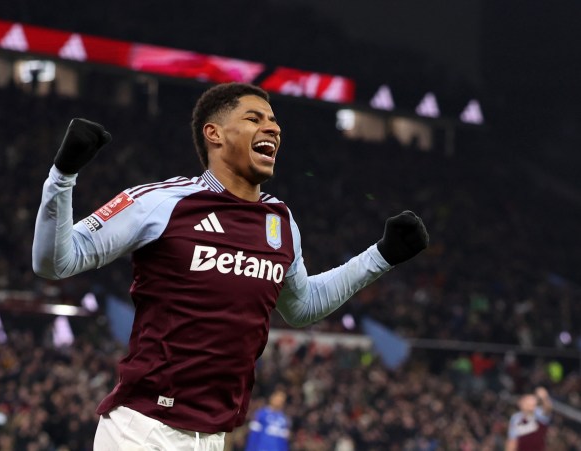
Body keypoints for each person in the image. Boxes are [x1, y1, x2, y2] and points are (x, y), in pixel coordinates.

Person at [32, 82, 429, 450]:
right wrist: (63, 176)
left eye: (274, 121)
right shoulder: (163, 203)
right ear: (214, 134)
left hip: (213, 437)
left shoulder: (279, 220)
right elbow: (56, 262)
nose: (272, 128)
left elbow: (301, 306)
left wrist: (380, 256)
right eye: (255, 119)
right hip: (144, 429)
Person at [505, 387, 553, 451]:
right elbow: (512, 439)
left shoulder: (539, 414)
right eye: (525, 401)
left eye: (530, 400)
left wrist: (544, 398)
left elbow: (548, 409)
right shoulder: (516, 418)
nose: (527, 403)